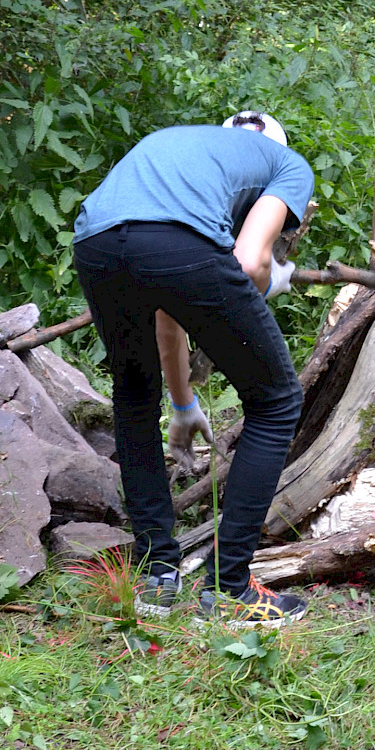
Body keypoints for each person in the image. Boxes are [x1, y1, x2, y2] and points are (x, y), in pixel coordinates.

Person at [72, 109, 314, 625]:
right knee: (276, 401)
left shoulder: (177, 144)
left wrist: (183, 405)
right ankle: (230, 591)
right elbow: (249, 261)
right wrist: (273, 281)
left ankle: (158, 574)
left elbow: (166, 307)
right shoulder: (287, 163)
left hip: (95, 241)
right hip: (171, 243)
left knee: (135, 392)